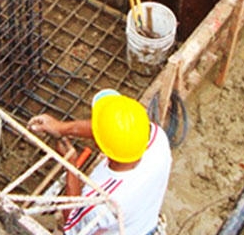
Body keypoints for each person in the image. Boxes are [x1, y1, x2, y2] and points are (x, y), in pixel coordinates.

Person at [28, 89, 171, 235]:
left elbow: (72, 223)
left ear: (98, 145)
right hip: (143, 222)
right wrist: (62, 128)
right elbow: (116, 128)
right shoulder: (158, 140)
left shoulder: (105, 202)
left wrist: (70, 164)